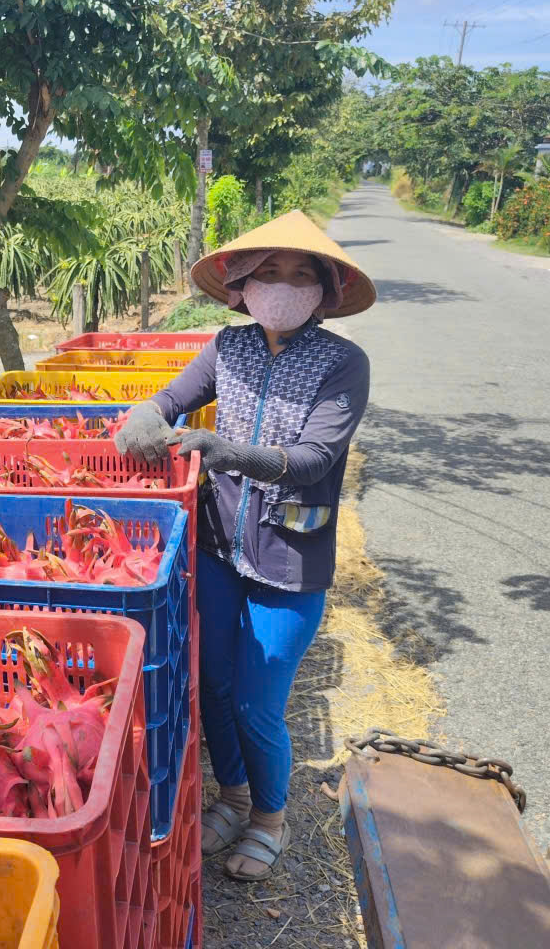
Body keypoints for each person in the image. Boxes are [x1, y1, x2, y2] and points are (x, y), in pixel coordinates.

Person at [114, 210, 376, 882]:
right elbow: (171, 398)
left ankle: (270, 818)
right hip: (219, 544)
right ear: (243, 285)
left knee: (260, 703)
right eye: (269, 273)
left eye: (300, 274)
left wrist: (219, 448)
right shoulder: (227, 348)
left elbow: (314, 457)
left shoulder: (344, 363)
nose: (283, 286)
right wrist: (145, 418)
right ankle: (231, 796)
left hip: (291, 558)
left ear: (325, 289)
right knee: (215, 682)